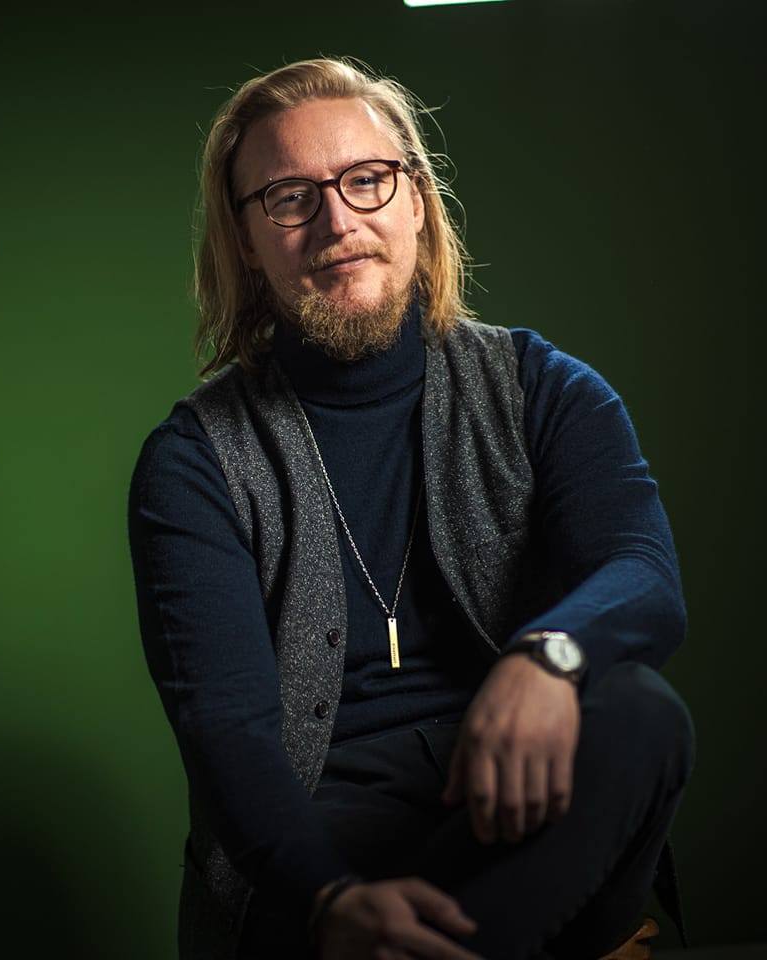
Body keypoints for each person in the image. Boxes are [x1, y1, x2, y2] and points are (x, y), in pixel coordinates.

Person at [127, 57, 695, 960]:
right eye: (288, 197)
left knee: (638, 710)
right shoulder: (194, 463)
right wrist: (330, 899)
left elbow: (644, 578)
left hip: (520, 804)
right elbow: (226, 735)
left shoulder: (543, 389)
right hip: (323, 855)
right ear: (246, 241)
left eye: (368, 180)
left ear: (418, 201)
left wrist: (546, 657)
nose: (339, 222)